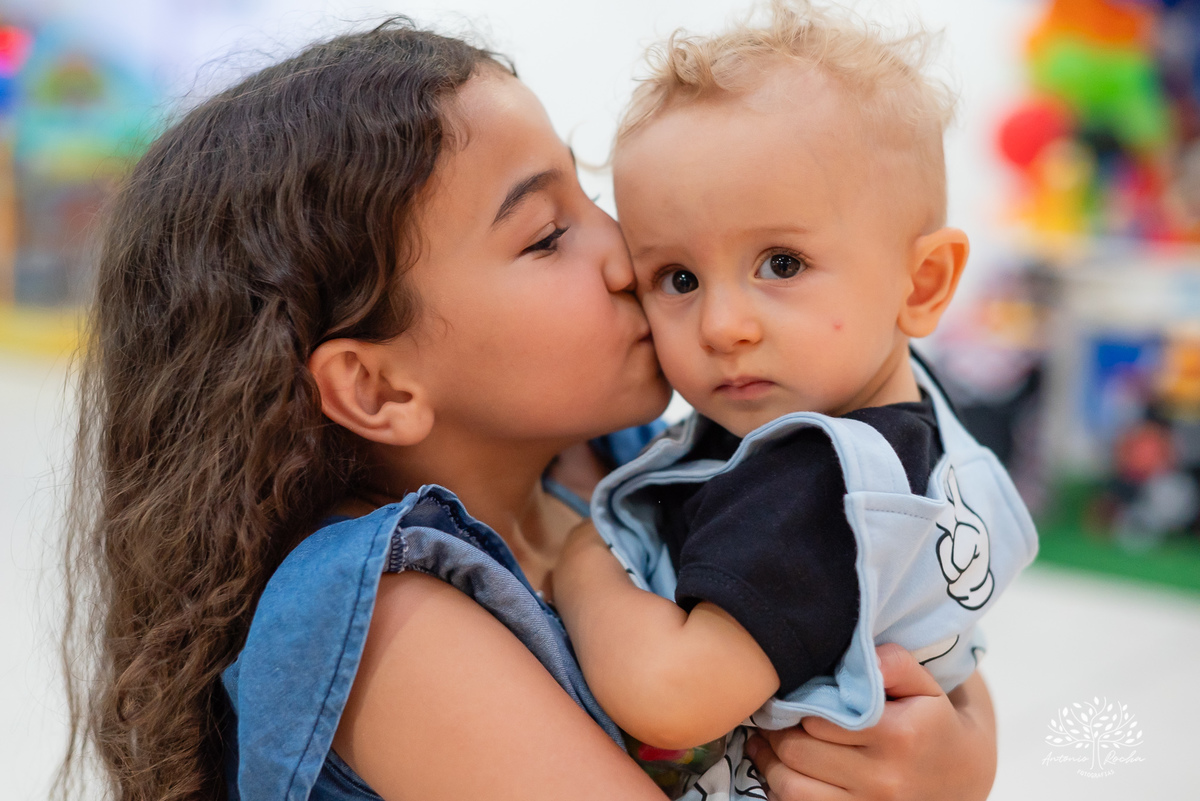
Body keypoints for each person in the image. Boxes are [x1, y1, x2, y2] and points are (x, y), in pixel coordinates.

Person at [59, 18, 1000, 801]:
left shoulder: (615, 451)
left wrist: (962, 756)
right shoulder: (396, 629)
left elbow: (896, 606)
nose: (626, 257)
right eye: (547, 234)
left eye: (591, 197)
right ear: (380, 386)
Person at [551, 2, 1038, 799]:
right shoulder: (906, 409)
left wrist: (578, 560)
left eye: (782, 263)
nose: (723, 325)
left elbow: (672, 696)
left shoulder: (814, 477)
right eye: (678, 278)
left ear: (921, 284)